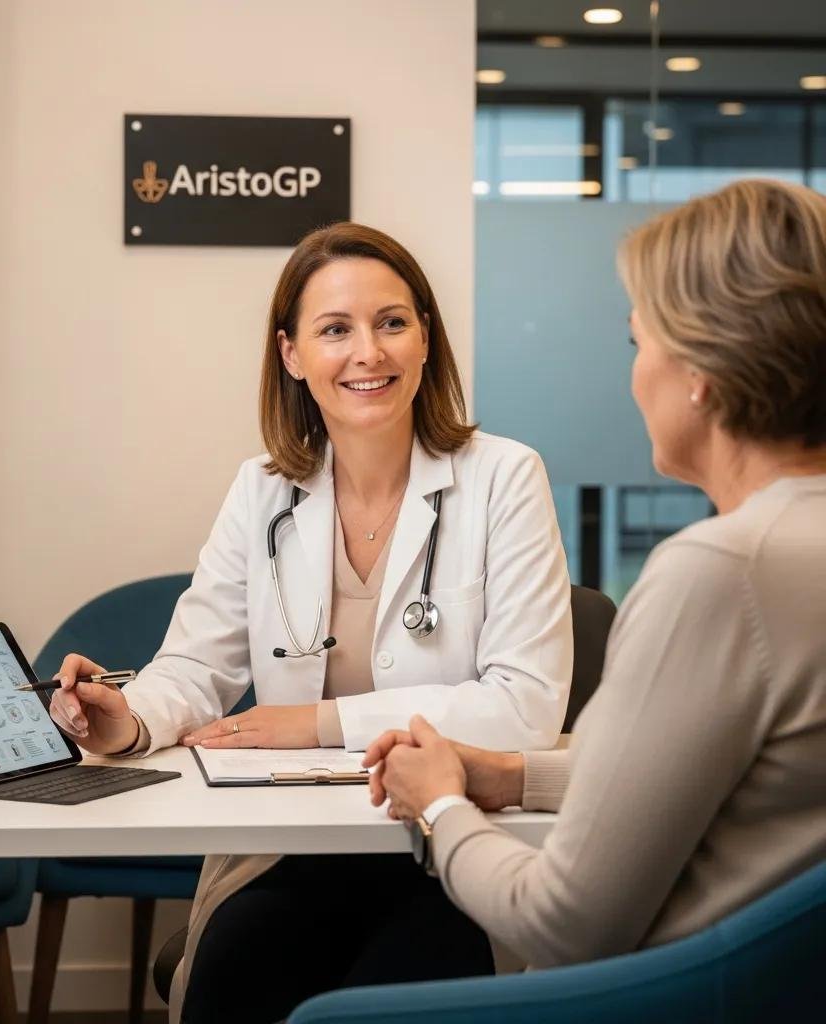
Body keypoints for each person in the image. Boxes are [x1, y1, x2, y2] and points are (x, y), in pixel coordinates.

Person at [48, 222, 574, 1023]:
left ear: (426, 338)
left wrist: (317, 723)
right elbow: (197, 664)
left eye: (393, 322)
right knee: (234, 975)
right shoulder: (262, 491)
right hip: (292, 847)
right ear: (292, 354)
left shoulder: (504, 477)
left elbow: (527, 704)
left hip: (444, 841)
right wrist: (127, 722)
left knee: (406, 987)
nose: (369, 352)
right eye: (335, 329)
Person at [366, 178, 826, 975]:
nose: (634, 375)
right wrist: (511, 776)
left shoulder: (721, 573)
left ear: (700, 371)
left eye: (637, 343)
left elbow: (560, 926)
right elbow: (742, 772)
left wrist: (438, 806)